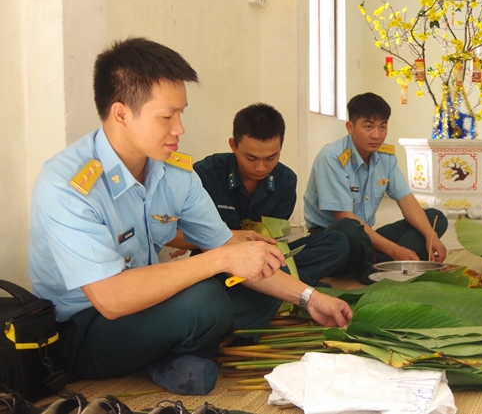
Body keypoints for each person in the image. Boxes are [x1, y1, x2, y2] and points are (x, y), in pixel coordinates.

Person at [28, 38, 352, 395]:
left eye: (181, 113)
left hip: (151, 305)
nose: (179, 128)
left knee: (259, 279)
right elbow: (111, 299)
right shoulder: (68, 184)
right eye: (167, 117)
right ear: (121, 114)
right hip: (86, 327)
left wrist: (310, 298)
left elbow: (228, 248)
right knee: (206, 302)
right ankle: (175, 353)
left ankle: (169, 355)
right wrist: (221, 259)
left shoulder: (174, 173)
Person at [191, 103, 349, 287]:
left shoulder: (285, 182)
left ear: (281, 146)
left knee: (337, 242)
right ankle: (290, 285)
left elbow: (275, 242)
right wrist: (230, 236)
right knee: (206, 285)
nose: (260, 168)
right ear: (233, 145)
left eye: (270, 158)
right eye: (251, 158)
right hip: (217, 260)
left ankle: (279, 285)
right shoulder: (205, 175)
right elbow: (177, 235)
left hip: (266, 258)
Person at [303, 93, 449, 282]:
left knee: (434, 219)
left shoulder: (385, 156)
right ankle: (388, 264)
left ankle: (379, 266)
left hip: (367, 236)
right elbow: (344, 216)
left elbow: (406, 200)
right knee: (349, 227)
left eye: (382, 127)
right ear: (350, 127)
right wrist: (395, 250)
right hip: (335, 239)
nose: (376, 135)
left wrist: (431, 236)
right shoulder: (332, 157)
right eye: (368, 126)